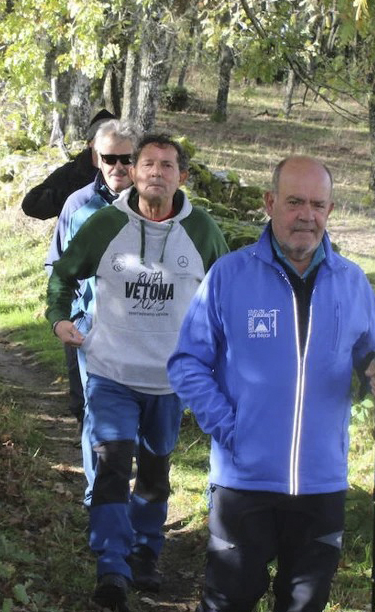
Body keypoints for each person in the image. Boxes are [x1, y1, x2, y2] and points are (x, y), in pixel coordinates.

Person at [167, 155, 375, 612]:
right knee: (227, 602)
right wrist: (231, 427)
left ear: (330, 211)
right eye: (295, 202)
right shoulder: (229, 276)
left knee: (304, 605)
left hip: (322, 483)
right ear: (270, 203)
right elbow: (187, 363)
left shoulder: (352, 283)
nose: (307, 215)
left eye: (318, 204)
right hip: (244, 481)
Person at [47, 133, 228, 611]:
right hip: (111, 372)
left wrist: (223, 358)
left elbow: (227, 296)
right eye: (148, 163)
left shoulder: (204, 232)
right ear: (134, 170)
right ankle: (112, 568)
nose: (155, 173)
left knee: (154, 472)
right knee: (110, 468)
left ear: (181, 176)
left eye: (167, 165)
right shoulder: (106, 224)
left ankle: (147, 551)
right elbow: (65, 272)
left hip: (170, 381)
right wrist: (59, 317)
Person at [44, 118, 137, 507]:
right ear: (96, 159)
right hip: (91, 329)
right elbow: (57, 266)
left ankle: (141, 493)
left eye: (125, 158)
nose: (117, 167)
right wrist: (63, 316)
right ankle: (97, 495)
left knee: (140, 413)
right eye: (109, 158)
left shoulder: (155, 209)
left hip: (145, 331)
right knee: (94, 409)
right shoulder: (77, 205)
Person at [22, 108, 114, 220]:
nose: (110, 143)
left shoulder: (127, 169)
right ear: (90, 142)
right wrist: (72, 198)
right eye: (103, 137)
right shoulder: (71, 173)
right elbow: (31, 204)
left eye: (115, 138)